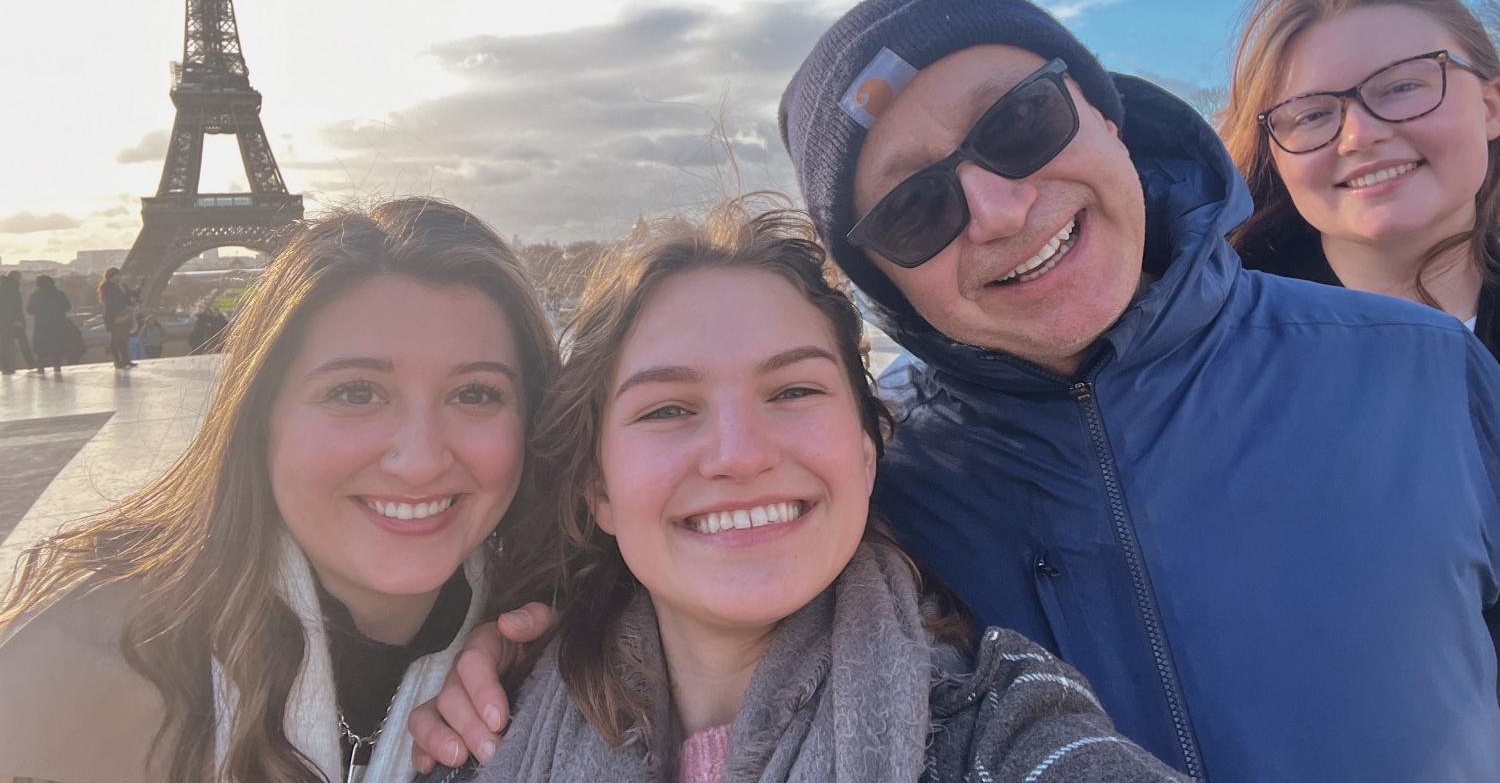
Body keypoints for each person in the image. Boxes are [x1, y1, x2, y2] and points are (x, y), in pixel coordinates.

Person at [412, 0, 1500, 782]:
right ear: (887, 282)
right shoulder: (878, 490)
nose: (997, 207)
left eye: (1019, 123)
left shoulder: (1425, 369)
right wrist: (476, 652)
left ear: (1106, 112)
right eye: (915, 206)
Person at [420, 202, 1183, 783]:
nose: (740, 454)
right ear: (600, 492)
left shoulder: (994, 722)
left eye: (791, 391)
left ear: (865, 451)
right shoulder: (484, 727)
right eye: (667, 409)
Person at [0, 198, 561, 783]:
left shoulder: (552, 651)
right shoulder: (75, 671)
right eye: (356, 393)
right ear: (261, 418)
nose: (419, 461)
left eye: (475, 394)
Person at [1218, 0, 1500, 359]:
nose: (1358, 137)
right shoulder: (1210, 358)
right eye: (1311, 114)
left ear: (1490, 107)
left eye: (1401, 87)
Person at [25, 275, 72, 379]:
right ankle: (57, 368)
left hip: (42, 325)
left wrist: (40, 312)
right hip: (57, 325)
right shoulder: (59, 294)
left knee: (41, 350)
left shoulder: (36, 295)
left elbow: (29, 309)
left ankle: (41, 369)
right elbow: (67, 306)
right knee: (56, 348)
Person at [98, 267, 135, 369]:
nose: (119, 277)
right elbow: (111, 301)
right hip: (114, 315)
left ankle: (125, 360)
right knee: (116, 339)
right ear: (111, 276)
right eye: (117, 275)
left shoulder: (121, 286)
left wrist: (140, 288)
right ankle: (117, 361)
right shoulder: (106, 287)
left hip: (122, 314)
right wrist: (124, 307)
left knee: (123, 338)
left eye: (119, 275)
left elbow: (130, 294)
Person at [0, 271, 33, 375]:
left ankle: (6, 367)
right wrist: (16, 320)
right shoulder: (12, 289)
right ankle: (31, 364)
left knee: (6, 345)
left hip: (4, 322)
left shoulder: (4, 287)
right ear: (16, 278)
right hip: (13, 322)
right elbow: (13, 307)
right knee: (22, 343)